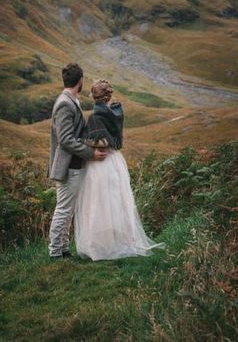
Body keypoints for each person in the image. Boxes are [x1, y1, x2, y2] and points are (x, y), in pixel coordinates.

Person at [74, 78, 164, 261]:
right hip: (115, 161)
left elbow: (102, 142)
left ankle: (101, 246)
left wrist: (83, 141)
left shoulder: (95, 116)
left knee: (99, 202)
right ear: (109, 95)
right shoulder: (116, 111)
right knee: (116, 202)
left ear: (94, 97)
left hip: (101, 161)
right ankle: (118, 241)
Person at [48, 63, 107, 260]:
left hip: (74, 164)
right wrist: (91, 153)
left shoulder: (72, 99)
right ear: (80, 81)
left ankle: (63, 249)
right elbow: (65, 140)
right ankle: (55, 252)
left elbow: (75, 134)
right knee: (63, 209)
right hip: (68, 166)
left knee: (68, 209)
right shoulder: (65, 103)